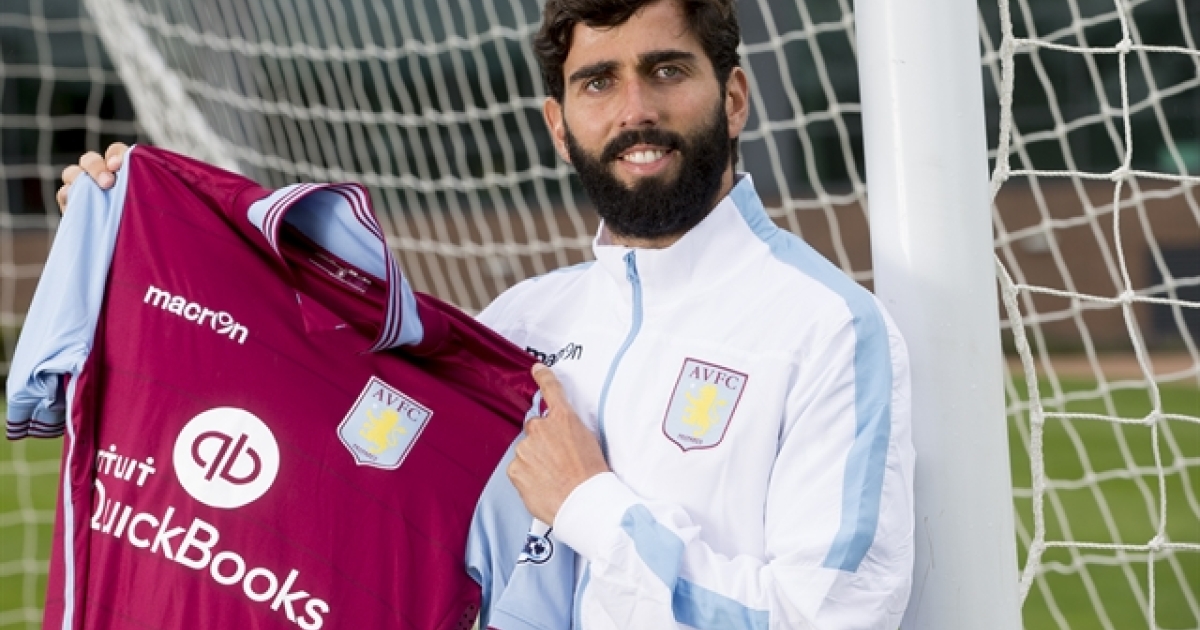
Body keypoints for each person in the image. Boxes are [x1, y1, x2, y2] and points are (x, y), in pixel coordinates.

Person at [59, 0, 916, 627]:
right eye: (598, 82)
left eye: (666, 71)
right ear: (559, 125)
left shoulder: (827, 329)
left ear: (732, 98)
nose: (635, 111)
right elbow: (321, 448)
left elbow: (829, 617)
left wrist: (591, 504)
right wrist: (129, 252)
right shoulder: (518, 325)